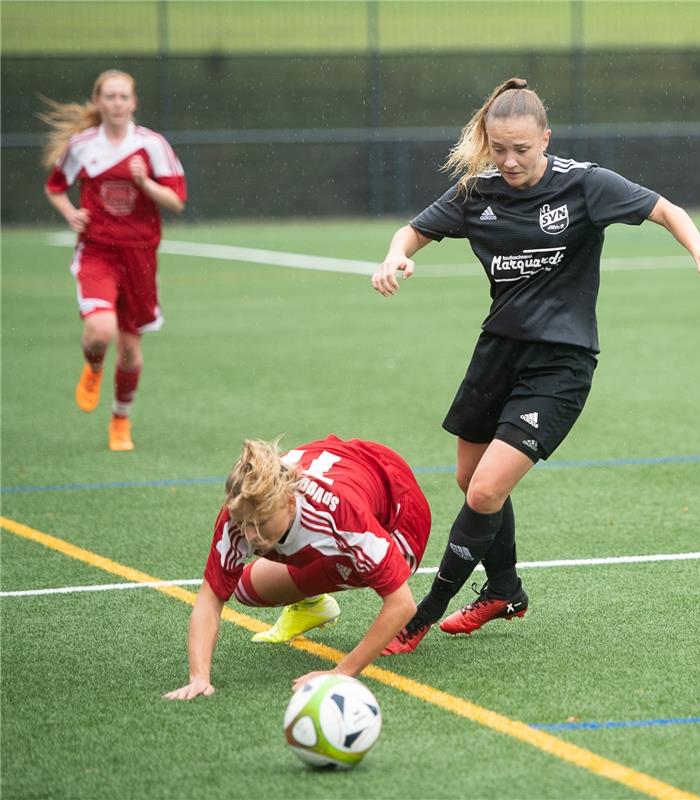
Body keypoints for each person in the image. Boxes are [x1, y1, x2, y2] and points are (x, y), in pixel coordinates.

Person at [371, 77, 700, 654]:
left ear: (546, 138)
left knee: (485, 491)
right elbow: (412, 231)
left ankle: (420, 615)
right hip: (496, 353)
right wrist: (396, 257)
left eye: (522, 148)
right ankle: (504, 591)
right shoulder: (478, 192)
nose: (511, 160)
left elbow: (664, 209)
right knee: (470, 481)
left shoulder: (586, 184)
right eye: (499, 148)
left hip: (561, 363)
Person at [164, 435, 432, 699]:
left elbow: (402, 604)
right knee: (246, 590)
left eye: (262, 522)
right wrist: (199, 678)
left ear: (290, 502)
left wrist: (341, 672)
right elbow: (210, 597)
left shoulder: (340, 516)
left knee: (362, 567)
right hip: (344, 474)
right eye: (244, 523)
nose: (251, 535)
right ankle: (312, 605)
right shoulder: (242, 511)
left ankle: (327, 575)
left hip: (397, 512)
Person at [41, 70, 187, 452]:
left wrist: (146, 183)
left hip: (139, 255)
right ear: (98, 102)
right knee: (101, 331)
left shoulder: (152, 145)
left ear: (134, 103)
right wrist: (70, 212)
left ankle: (120, 420)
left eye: (124, 97)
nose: (117, 104)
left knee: (130, 349)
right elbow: (55, 186)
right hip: (97, 251)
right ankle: (92, 367)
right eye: (110, 97)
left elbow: (176, 201)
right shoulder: (83, 145)